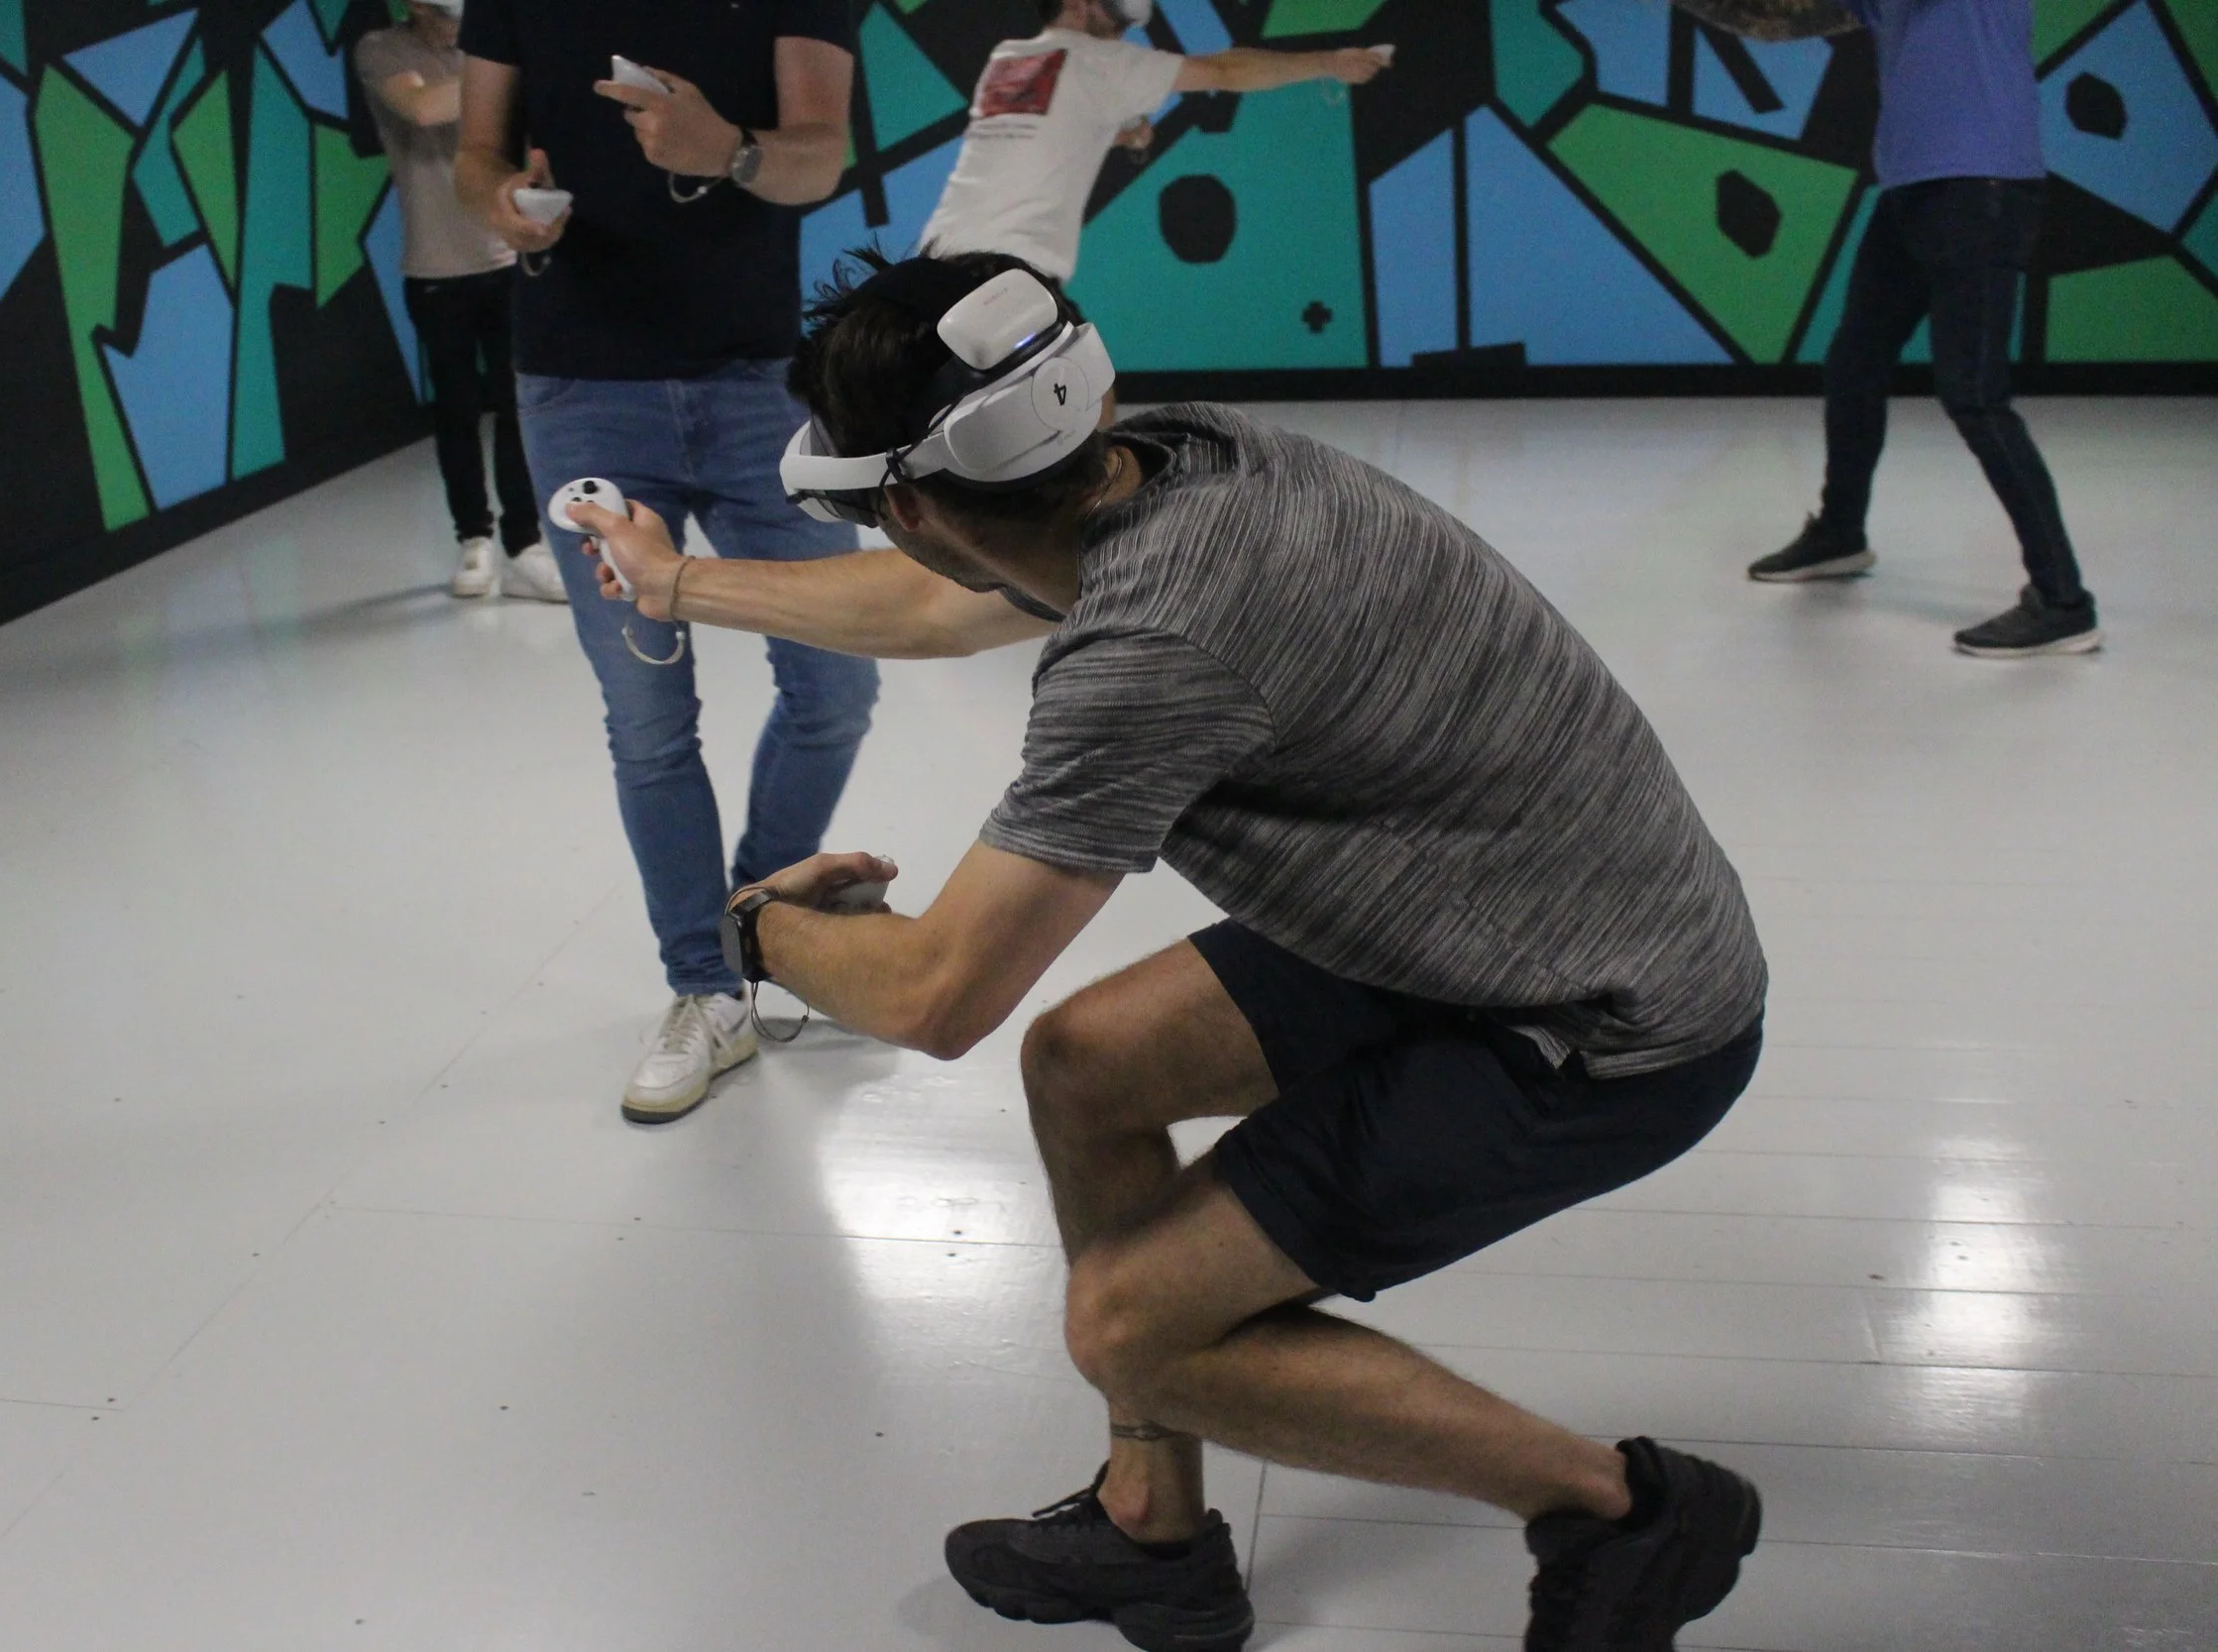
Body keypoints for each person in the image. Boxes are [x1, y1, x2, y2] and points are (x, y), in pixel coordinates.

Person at [566, 250, 1773, 1652]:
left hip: (1601, 1023)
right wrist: (672, 586)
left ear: (900, 503)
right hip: (1491, 906)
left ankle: (1626, 1511)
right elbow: (937, 603)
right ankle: (1156, 1534)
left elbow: (937, 991)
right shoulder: (1180, 455)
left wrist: (752, 927)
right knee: (1087, 1061)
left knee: (1131, 1329)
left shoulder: (1153, 646)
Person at [452, 3, 882, 1124]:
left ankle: (762, 924)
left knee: (836, 685)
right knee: (647, 715)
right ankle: (705, 982)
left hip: (757, 386)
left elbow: (817, 155)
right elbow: (473, 153)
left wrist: (728, 151)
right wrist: (500, 206)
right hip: (581, 389)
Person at [1676, 0, 2101, 658]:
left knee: (1976, 396)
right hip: (1912, 188)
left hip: (1979, 188)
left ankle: (2064, 601)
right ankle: (1841, 532)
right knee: (1854, 363)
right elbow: (1776, 19)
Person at [920, 0, 1389, 283]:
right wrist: (1329, 62)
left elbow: (1040, 134)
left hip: (936, 259)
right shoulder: (1103, 61)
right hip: (1008, 273)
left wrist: (1117, 133)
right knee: (1087, 399)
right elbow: (1225, 70)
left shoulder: (1008, 60)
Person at [354, 0, 551, 602]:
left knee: (521, 405)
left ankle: (525, 542)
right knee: (457, 410)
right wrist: (504, 69)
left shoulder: (491, 42)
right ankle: (474, 539)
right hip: (435, 269)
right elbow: (421, 105)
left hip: (506, 257)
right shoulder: (381, 49)